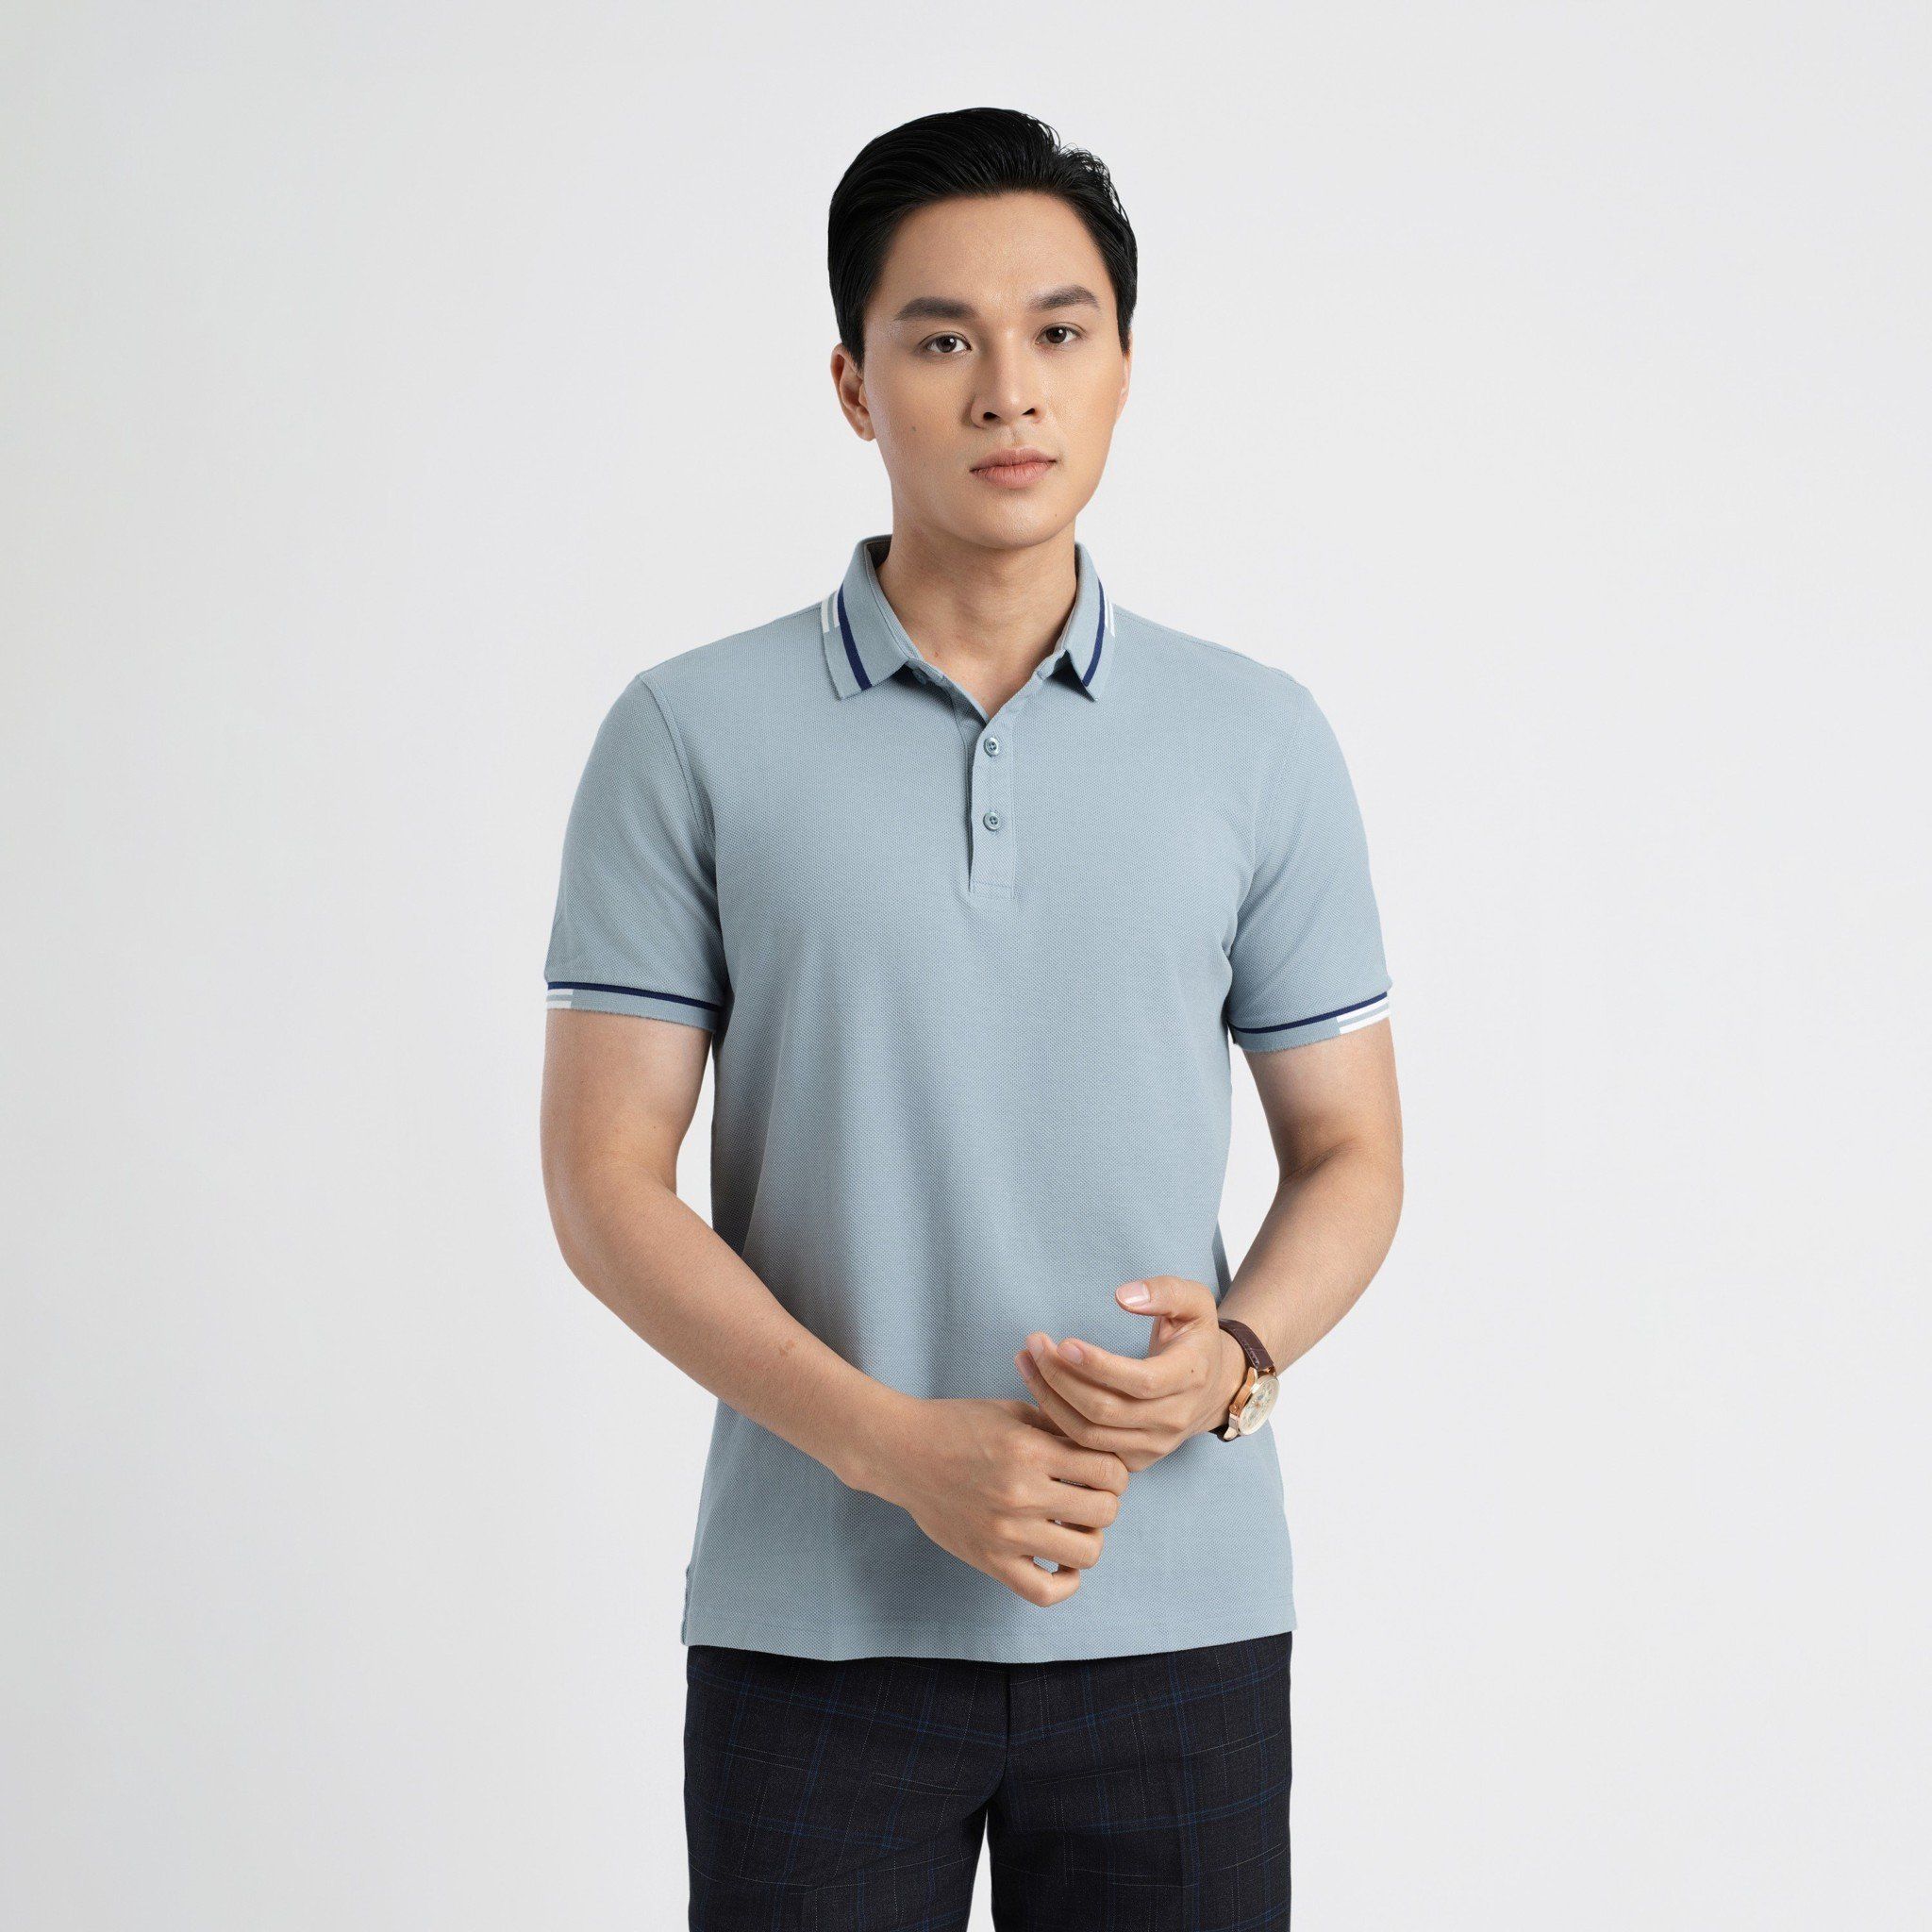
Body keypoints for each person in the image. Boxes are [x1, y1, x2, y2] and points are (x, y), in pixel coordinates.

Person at [539, 104, 1404, 1931]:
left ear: (1122, 368)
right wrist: (890, 1446)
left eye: (1057, 331)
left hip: (1179, 1620)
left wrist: (1236, 1362)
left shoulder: (1257, 738)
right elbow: (604, 1183)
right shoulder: (687, 734)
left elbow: (1350, 1154)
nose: (1009, 389)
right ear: (854, 386)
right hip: (813, 1626)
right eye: (942, 340)